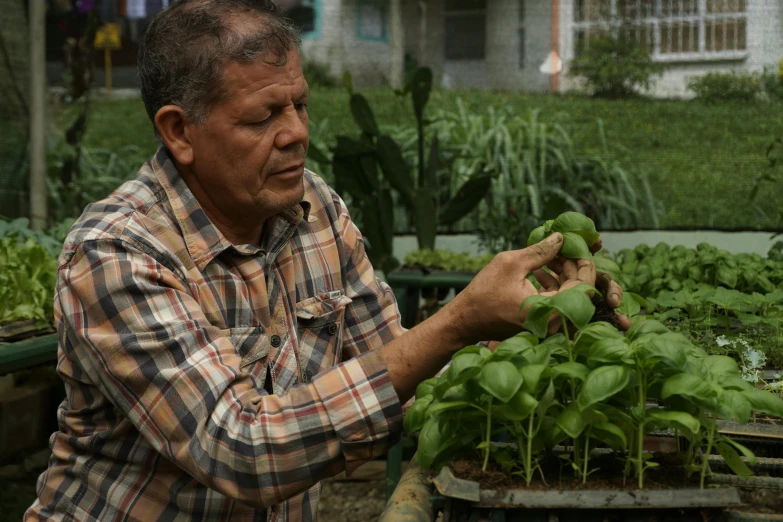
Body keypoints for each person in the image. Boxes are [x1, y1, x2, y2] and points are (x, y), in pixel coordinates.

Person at [26, 1, 627, 520]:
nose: (296, 134)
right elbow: (241, 449)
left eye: (300, 107)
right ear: (180, 131)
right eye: (264, 117)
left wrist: (540, 323)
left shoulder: (314, 208)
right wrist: (459, 320)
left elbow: (401, 375)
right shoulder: (117, 252)